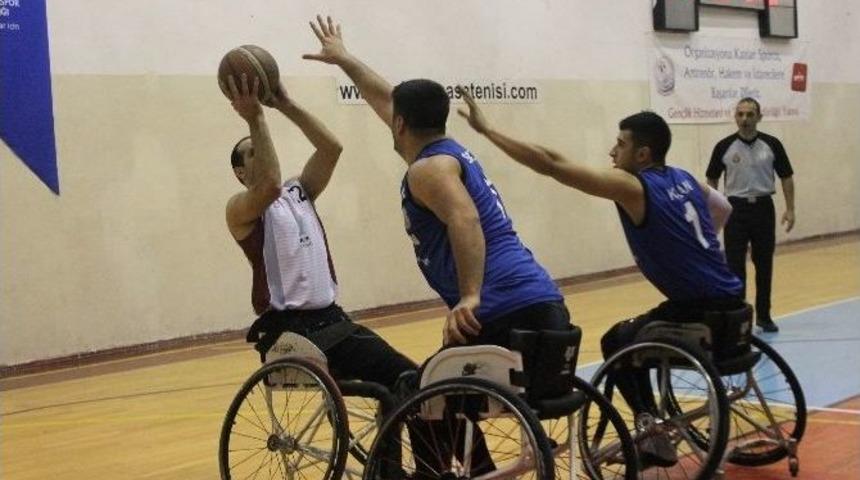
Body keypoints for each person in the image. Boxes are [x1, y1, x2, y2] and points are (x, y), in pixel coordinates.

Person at [458, 93, 744, 468]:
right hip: (733, 300)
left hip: (697, 307)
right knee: (638, 330)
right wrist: (697, 253)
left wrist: (488, 130)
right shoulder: (685, 178)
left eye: (620, 144)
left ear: (642, 155)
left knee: (616, 341)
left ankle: (649, 429)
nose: (613, 152)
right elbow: (723, 209)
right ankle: (652, 424)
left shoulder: (633, 186)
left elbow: (551, 164)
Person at [303, 16, 571, 349]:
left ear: (400, 124)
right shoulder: (445, 152)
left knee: (421, 396)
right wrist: (344, 59)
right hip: (538, 301)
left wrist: (471, 296)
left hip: (503, 311)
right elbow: (387, 99)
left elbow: (465, 218)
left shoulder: (429, 169)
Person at [222, 72, 416, 397]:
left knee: (409, 381)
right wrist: (255, 117)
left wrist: (285, 104)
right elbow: (268, 183)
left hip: (331, 320)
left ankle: (398, 449)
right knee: (404, 380)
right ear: (240, 172)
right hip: (290, 329)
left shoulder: (299, 190)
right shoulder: (240, 209)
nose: (264, 150)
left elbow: (332, 148)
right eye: (253, 152)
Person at [707, 97, 796, 333]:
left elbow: (786, 177)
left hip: (763, 209)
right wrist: (715, 209)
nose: (744, 119)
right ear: (735, 117)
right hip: (735, 210)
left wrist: (790, 208)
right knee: (735, 267)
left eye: (750, 114)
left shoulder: (772, 144)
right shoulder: (723, 146)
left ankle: (764, 316)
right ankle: (739, 319)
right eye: (740, 114)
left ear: (759, 117)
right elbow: (712, 178)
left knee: (764, 263)